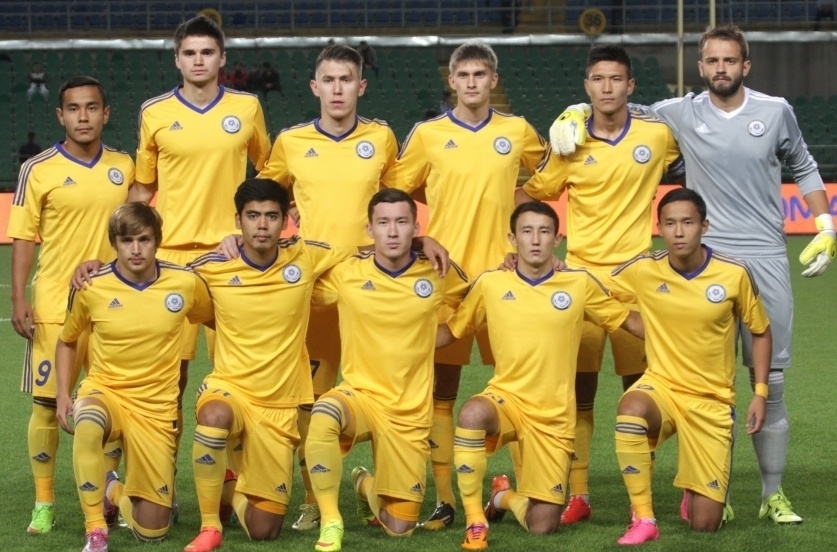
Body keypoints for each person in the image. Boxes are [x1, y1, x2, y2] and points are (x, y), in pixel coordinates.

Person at [549, 24, 835, 524]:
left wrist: (825, 223)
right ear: (700, 67)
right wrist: (575, 110)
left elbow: (805, 165)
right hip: (706, 261)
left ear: (745, 65)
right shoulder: (678, 113)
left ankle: (772, 493)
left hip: (766, 254)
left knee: (770, 378)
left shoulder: (775, 111)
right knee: (707, 382)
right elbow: (619, 108)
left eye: (730, 60)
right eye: (713, 61)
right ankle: (712, 486)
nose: (721, 68)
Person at [513, 44, 681, 526]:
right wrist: (524, 242)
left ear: (630, 86)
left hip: (636, 283)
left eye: (616, 79)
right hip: (581, 285)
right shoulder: (569, 143)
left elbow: (700, 141)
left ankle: (639, 497)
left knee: (642, 397)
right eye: (598, 80)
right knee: (577, 395)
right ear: (587, 85)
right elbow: (530, 194)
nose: (607, 88)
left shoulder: (657, 135)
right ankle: (579, 493)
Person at [390, 41, 547, 529]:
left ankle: (529, 488)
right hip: (446, 280)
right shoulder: (428, 135)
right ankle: (446, 499)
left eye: (481, 74)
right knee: (442, 392)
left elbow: (547, 179)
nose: (473, 82)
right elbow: (395, 190)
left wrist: (525, 234)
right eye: (464, 75)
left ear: (493, 80)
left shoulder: (517, 131)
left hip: (506, 278)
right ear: (452, 81)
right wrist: (422, 236)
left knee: (521, 387)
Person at [437, 201, 643, 550]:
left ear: (557, 239)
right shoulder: (491, 283)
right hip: (507, 400)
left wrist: (686, 329)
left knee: (542, 526)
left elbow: (629, 322)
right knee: (472, 413)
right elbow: (451, 332)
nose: (535, 240)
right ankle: (475, 520)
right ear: (512, 238)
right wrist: (398, 335)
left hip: (553, 417)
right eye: (527, 231)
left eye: (544, 231)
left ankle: (502, 497)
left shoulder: (578, 283)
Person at [258, 43, 400, 533]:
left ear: (361, 86)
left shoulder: (381, 138)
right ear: (314, 86)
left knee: (381, 394)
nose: (338, 89)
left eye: (346, 80)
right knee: (311, 402)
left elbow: (397, 201)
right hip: (314, 292)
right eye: (329, 80)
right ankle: (314, 500)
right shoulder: (291, 141)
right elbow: (264, 196)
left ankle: (381, 489)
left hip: (371, 291)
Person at [183, 179, 358, 552]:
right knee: (214, 416)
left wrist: (421, 243)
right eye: (252, 216)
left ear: (285, 221)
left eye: (271, 216)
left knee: (264, 530)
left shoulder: (305, 255)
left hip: (279, 405)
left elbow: (361, 251)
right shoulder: (212, 266)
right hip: (229, 388)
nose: (261, 225)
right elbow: (162, 280)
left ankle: (230, 487)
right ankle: (210, 525)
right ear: (238, 220)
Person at [128, 14, 271, 463]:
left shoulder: (246, 108)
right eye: (189, 53)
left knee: (240, 376)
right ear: (177, 59)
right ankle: (161, 475)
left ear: (222, 58)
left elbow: (269, 172)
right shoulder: (154, 112)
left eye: (207, 52)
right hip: (170, 260)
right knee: (168, 380)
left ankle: (237, 480)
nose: (198, 60)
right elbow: (142, 188)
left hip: (230, 257)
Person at [305, 189, 469, 552]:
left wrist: (438, 336)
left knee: (399, 529)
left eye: (401, 222)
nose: (392, 231)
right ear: (370, 229)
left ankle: (363, 483)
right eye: (383, 223)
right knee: (325, 412)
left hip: (409, 413)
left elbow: (475, 301)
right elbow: (298, 283)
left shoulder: (437, 270)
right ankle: (331, 520)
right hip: (360, 396)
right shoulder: (347, 273)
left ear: (415, 227)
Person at [7, 76, 134, 536]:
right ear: (60, 116)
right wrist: (19, 296)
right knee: (46, 405)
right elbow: (23, 236)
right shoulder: (37, 169)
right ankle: (44, 502)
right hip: (55, 307)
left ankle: (109, 492)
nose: (84, 116)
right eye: (74, 109)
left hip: (114, 306)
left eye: (92, 107)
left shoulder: (124, 166)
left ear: (106, 113)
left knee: (114, 404)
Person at [607, 187, 772, 545]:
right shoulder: (643, 269)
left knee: (704, 525)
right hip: (662, 386)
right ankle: (644, 517)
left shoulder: (734, 273)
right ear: (659, 228)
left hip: (712, 401)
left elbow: (760, 331)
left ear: (704, 226)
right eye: (670, 224)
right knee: (631, 409)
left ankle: (693, 488)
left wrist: (760, 393)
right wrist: (639, 326)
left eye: (687, 223)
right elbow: (592, 290)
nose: (678, 232)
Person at [55, 203, 214, 552]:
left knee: (153, 531)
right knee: (88, 421)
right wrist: (63, 394)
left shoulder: (185, 283)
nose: (136, 249)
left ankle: (111, 488)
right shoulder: (91, 285)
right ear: (114, 243)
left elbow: (220, 321)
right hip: (106, 392)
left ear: (158, 241)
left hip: (156, 409)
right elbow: (67, 340)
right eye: (127, 241)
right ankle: (95, 528)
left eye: (144, 239)